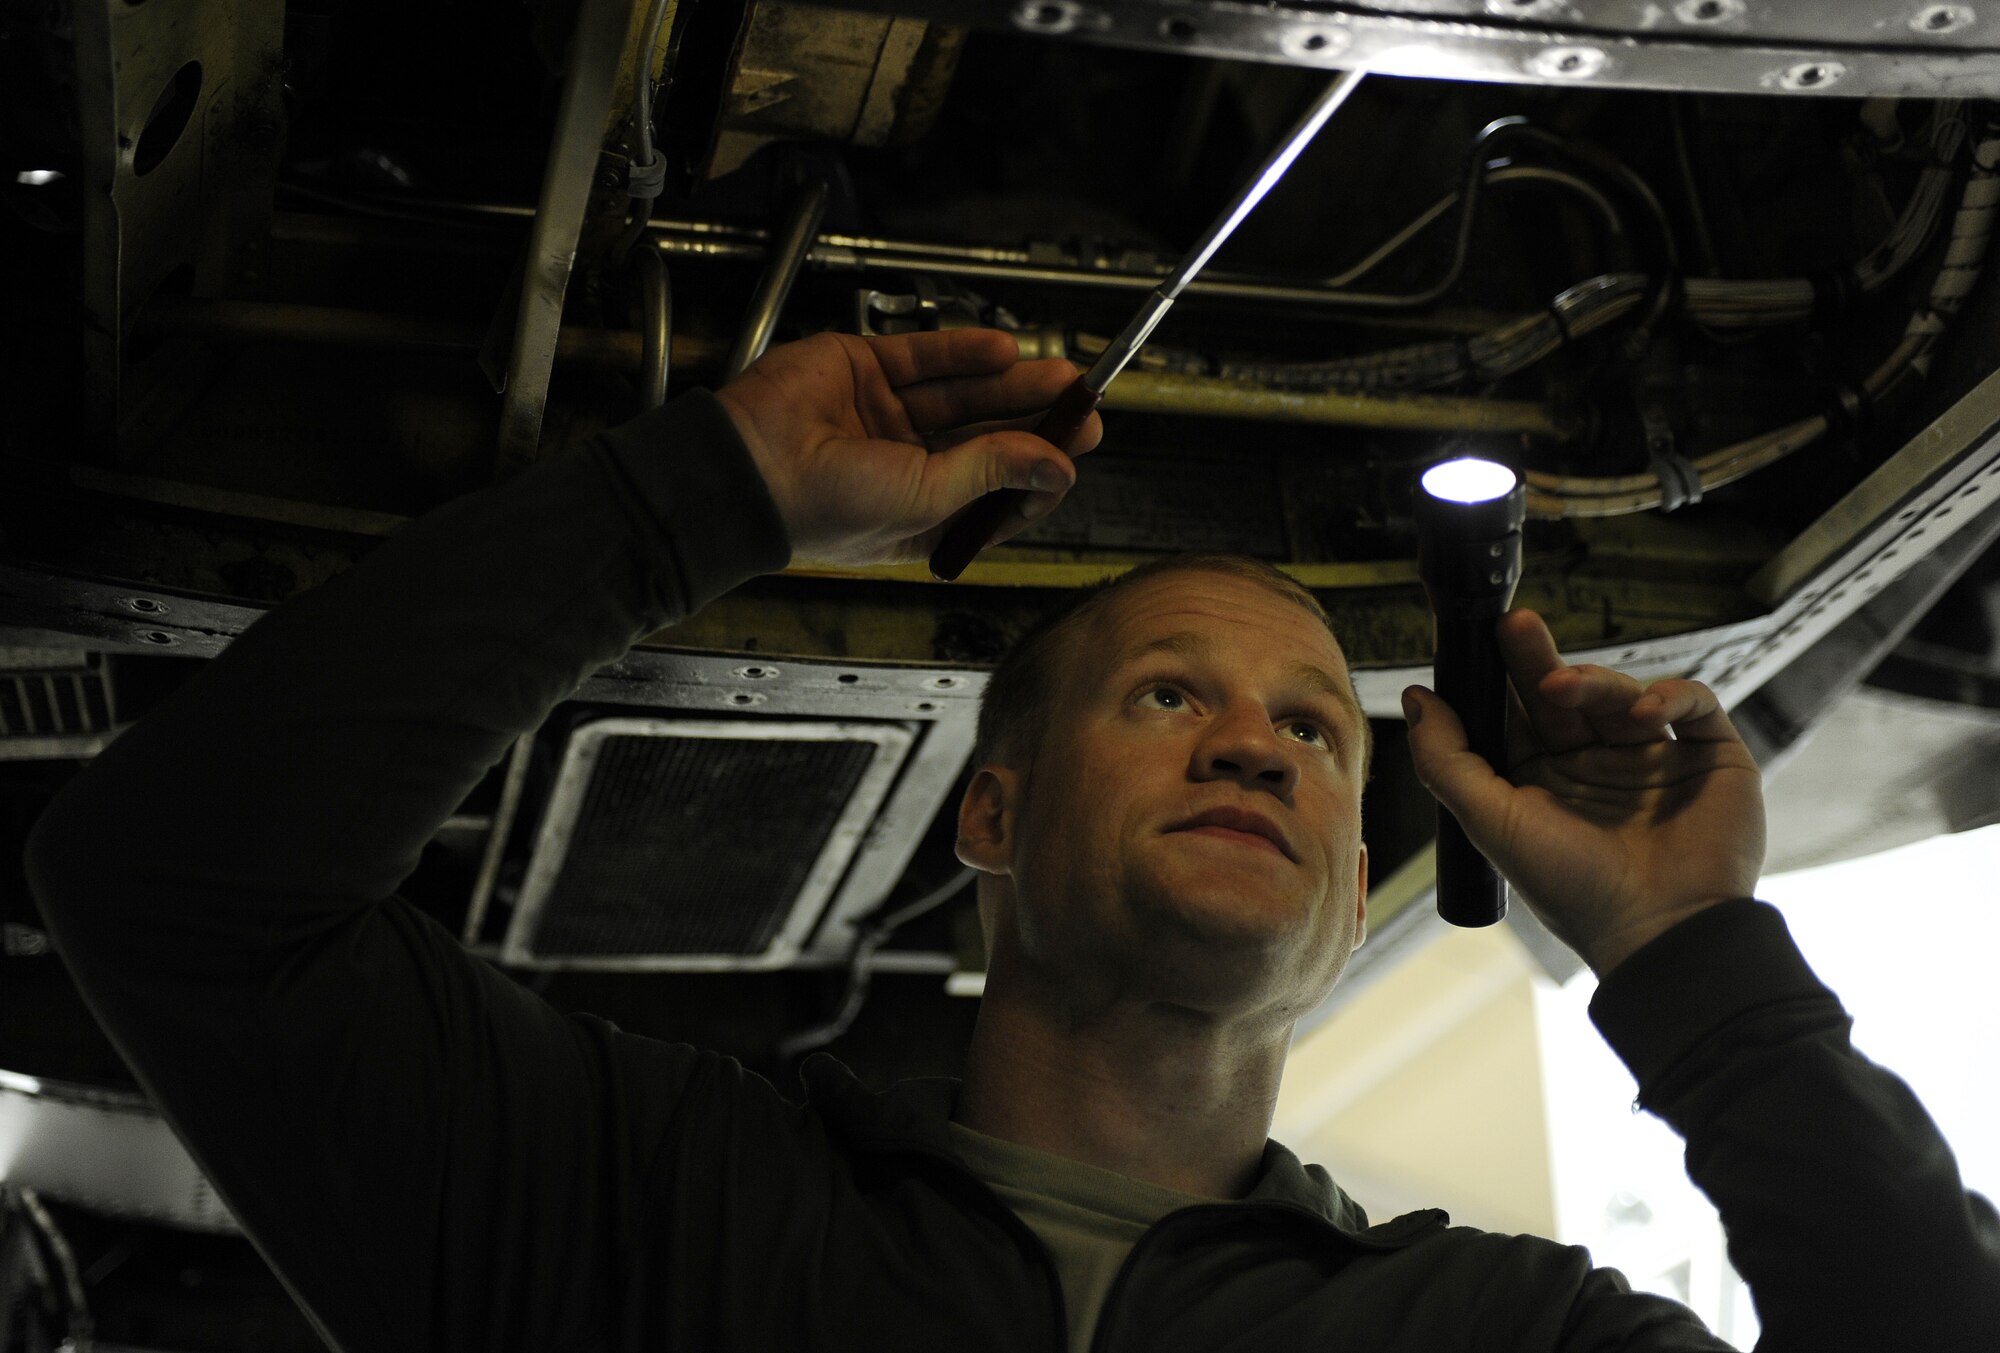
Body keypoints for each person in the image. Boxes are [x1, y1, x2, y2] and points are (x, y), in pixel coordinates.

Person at [23, 329, 1998, 1353]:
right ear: (989, 810)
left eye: (1313, 723)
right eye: (1168, 695)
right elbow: (183, 891)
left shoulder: (1486, 1333)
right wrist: (687, 498)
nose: (1255, 740)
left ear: (1345, 881)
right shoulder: (646, 1208)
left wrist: (1691, 965)